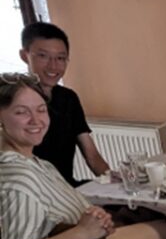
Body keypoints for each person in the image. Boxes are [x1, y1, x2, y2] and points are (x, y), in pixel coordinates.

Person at [0, 75, 166, 239]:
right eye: (21, 112)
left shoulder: (33, 162)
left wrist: (93, 219)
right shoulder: (16, 178)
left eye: (40, 110)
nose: (36, 120)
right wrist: (81, 233)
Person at [18, 21, 108, 183]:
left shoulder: (68, 98)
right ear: (25, 56)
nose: (53, 66)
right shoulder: (10, 102)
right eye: (43, 56)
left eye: (60, 58)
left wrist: (119, 187)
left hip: (67, 189)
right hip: (30, 196)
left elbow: (92, 157)